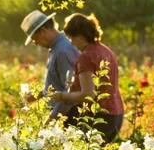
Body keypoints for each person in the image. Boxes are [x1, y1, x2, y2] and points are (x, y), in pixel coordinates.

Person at [51, 13, 124, 143]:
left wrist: (62, 96)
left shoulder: (86, 57)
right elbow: (102, 84)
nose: (72, 43)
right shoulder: (106, 51)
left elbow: (88, 94)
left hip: (99, 116)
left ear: (80, 37)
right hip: (116, 113)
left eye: (72, 38)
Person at [20, 10, 80, 118]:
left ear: (43, 31)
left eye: (34, 39)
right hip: (62, 114)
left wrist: (53, 118)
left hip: (68, 115)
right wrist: (39, 94)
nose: (35, 43)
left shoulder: (63, 50)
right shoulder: (56, 48)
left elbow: (70, 91)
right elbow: (58, 85)